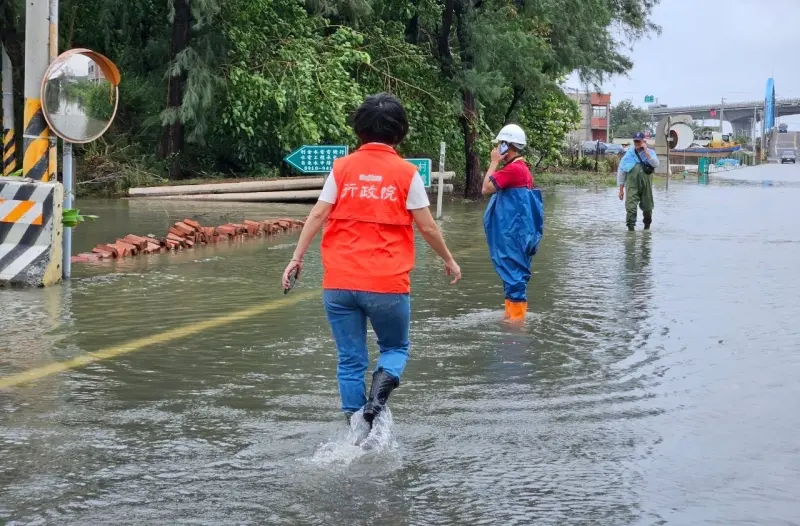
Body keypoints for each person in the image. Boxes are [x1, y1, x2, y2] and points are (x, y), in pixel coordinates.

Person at [281, 92, 462, 427]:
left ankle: (355, 425)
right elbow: (427, 227)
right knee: (395, 348)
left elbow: (319, 213)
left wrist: (296, 257)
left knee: (350, 360)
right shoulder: (407, 174)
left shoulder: (342, 168)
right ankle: (378, 399)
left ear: (359, 130)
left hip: (338, 282)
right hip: (386, 283)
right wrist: (449, 260)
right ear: (400, 132)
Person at [481, 124, 544, 322]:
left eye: (500, 144)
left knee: (513, 275)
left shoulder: (514, 170)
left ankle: (516, 325)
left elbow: (485, 188)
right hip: (517, 231)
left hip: (512, 232)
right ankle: (512, 318)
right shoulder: (521, 169)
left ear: (508, 146)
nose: (498, 148)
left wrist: (493, 162)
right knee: (513, 275)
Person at [617, 132, 659, 231]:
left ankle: (647, 228)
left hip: (646, 185)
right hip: (632, 185)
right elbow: (622, 172)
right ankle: (631, 231)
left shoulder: (650, 152)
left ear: (643, 141)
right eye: (635, 141)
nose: (637, 143)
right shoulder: (629, 154)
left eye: (639, 141)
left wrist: (646, 151)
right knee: (630, 208)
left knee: (648, 208)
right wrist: (621, 190)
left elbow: (656, 164)